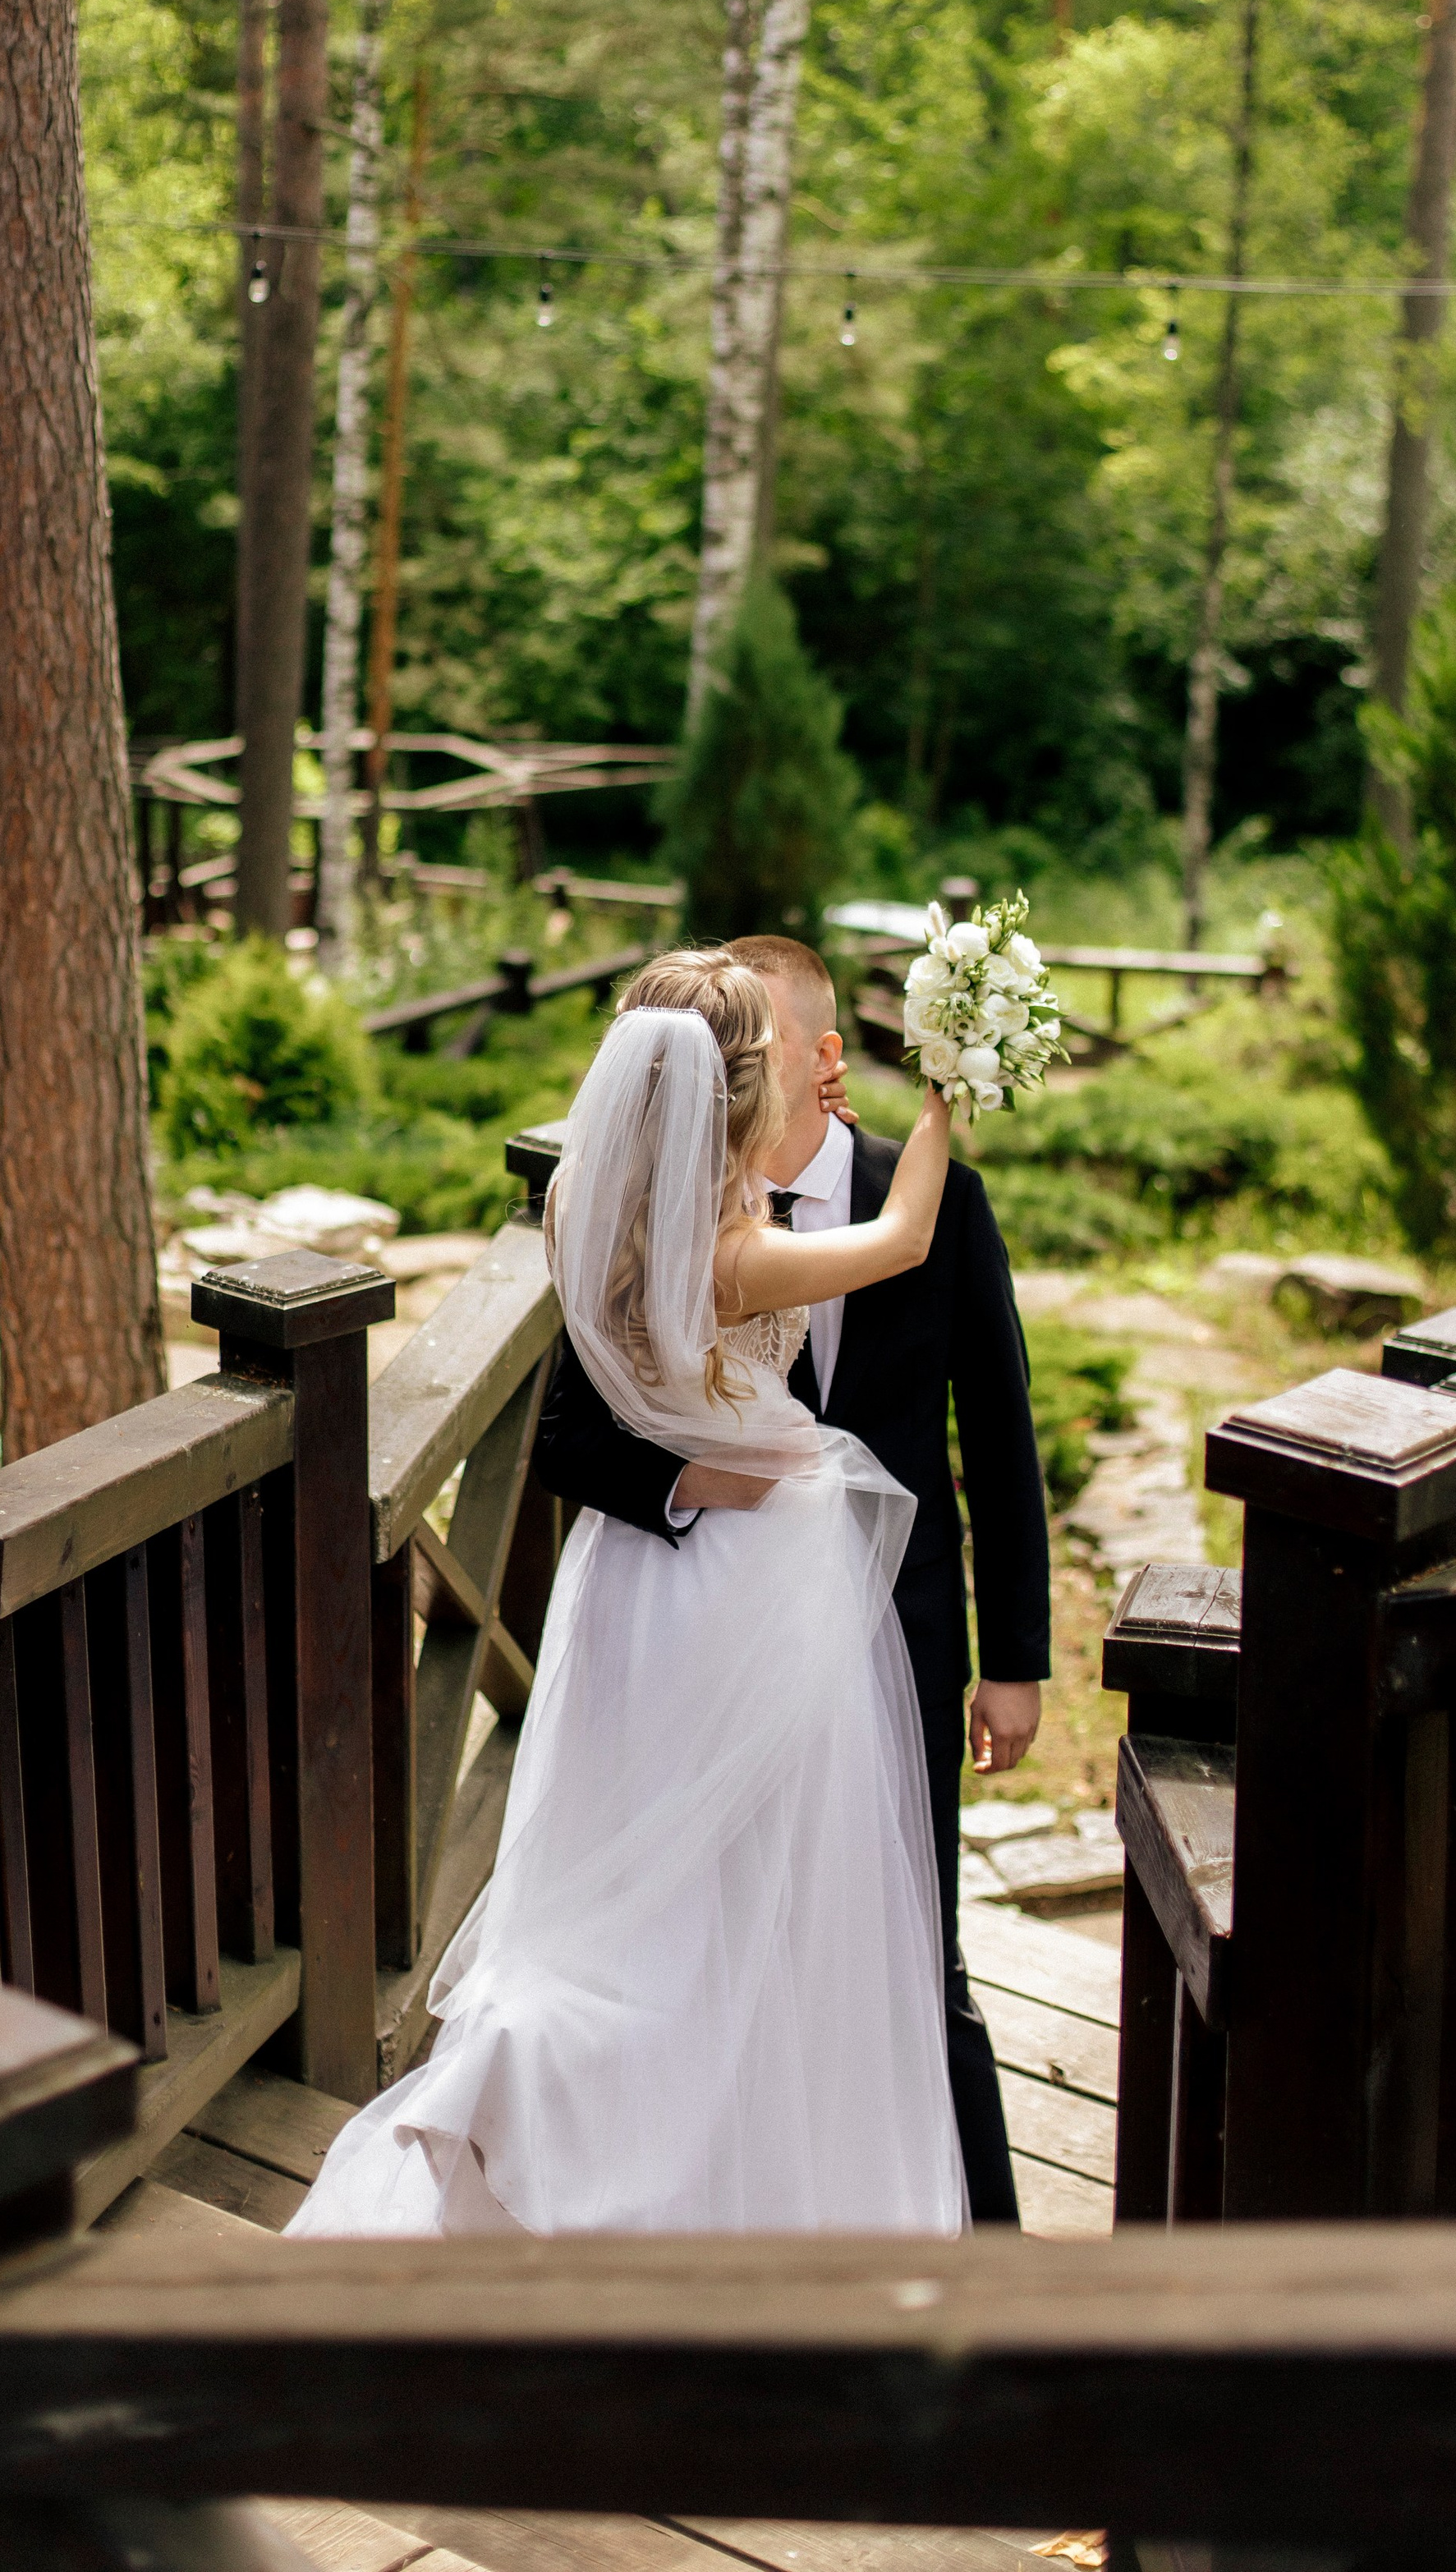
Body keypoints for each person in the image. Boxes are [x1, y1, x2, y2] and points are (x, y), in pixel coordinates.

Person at [287, 953, 971, 2236]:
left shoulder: (588, 1217)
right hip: (755, 1588)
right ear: (735, 1099)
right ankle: (679, 2145)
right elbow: (909, 1238)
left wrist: (693, 1470)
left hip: (630, 1591)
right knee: (748, 1880)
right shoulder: (735, 1258)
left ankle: (574, 2093)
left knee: (627, 1868)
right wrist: (945, 1095)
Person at [534, 934, 1049, 2225]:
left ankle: (979, 2241)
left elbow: (999, 1439)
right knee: (706, 1943)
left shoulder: (932, 1205)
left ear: (825, 1061)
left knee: (910, 1950)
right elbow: (566, 1436)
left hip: (897, 1640)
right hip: (703, 1630)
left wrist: (1018, 1662)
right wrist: (684, 1485)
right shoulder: (658, 1217)